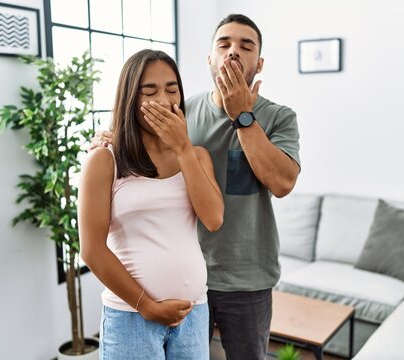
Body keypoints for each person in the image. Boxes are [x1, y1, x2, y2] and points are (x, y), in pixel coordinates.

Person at [93, 14, 300, 359]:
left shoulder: (280, 117)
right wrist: (109, 139)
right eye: (224, 44)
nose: (233, 52)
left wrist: (242, 117)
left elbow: (281, 183)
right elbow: (135, 146)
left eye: (245, 46)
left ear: (259, 63)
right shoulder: (177, 113)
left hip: (246, 278)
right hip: (187, 281)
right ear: (209, 59)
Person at [79, 49, 224, 360]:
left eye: (172, 89)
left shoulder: (197, 156)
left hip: (194, 313)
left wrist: (183, 147)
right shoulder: (105, 159)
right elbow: (92, 250)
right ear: (130, 97)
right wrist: (148, 306)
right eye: (150, 90)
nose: (163, 99)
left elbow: (213, 219)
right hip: (131, 317)